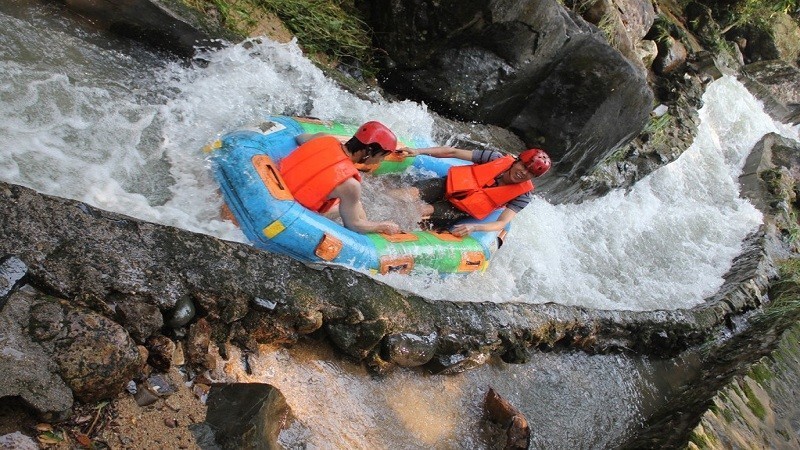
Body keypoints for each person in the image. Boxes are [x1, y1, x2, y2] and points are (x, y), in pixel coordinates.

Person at [279, 121, 402, 235]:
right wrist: (380, 226)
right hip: (294, 216)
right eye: (382, 155)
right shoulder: (350, 185)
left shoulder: (323, 137)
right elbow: (353, 225)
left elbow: (299, 138)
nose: (381, 160)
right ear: (369, 151)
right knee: (357, 206)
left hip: (276, 189)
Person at [400, 145, 551, 237]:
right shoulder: (495, 158)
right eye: (524, 166)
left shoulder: (523, 195)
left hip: (459, 209)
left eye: (530, 173)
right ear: (517, 160)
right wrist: (418, 151)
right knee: (408, 194)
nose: (523, 173)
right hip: (447, 185)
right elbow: (453, 153)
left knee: (422, 209)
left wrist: (475, 227)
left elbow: (502, 223)